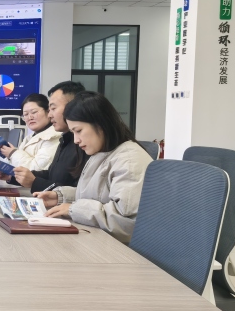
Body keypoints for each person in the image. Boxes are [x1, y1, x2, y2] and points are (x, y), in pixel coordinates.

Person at [35, 91, 152, 244]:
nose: (76, 140)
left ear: (101, 125)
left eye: (78, 131)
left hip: (117, 249)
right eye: (73, 132)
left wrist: (72, 209)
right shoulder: (102, 153)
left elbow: (125, 221)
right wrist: (61, 197)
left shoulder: (130, 160)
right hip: (99, 240)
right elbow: (99, 194)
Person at [0, 81, 88, 192]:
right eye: (25, 114)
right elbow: (51, 175)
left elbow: (76, 191)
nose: (50, 115)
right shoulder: (65, 139)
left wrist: (14, 154)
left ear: (73, 107)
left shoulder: (67, 140)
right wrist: (12, 177)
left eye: (53, 109)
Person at [0, 93, 61, 171]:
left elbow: (37, 169)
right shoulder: (30, 137)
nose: (30, 117)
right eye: (26, 114)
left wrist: (13, 153)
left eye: (34, 112)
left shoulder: (54, 137)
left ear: (48, 111)